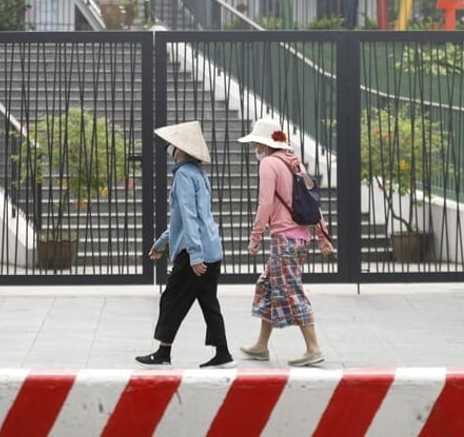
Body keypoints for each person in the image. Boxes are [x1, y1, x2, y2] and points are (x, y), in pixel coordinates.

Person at [135, 120, 235, 369]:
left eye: (174, 145)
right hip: (212, 248)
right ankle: (222, 353)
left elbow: (190, 217)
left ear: (181, 150)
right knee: (208, 302)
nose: (170, 148)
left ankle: (163, 353)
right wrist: (162, 242)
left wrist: (194, 255)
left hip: (196, 251)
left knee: (171, 299)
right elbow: (187, 217)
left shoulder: (183, 175)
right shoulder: (200, 174)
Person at [237, 117, 334, 367]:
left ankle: (313, 347)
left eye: (257, 144)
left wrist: (255, 236)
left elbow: (265, 203)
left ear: (264, 144)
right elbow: (312, 202)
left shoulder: (269, 164)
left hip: (285, 239)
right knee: (268, 285)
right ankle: (261, 345)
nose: (255, 149)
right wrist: (322, 236)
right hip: (301, 238)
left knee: (291, 290)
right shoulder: (294, 162)